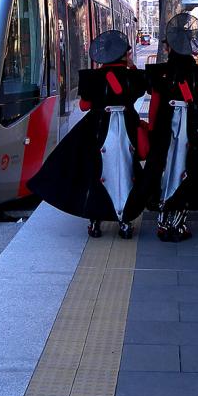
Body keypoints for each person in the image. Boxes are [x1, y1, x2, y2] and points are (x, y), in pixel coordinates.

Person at [26, 30, 149, 239]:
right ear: (124, 55)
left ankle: (95, 220)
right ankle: (125, 219)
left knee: (94, 171)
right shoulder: (134, 76)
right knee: (127, 170)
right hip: (127, 129)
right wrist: (131, 67)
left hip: (97, 129)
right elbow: (139, 91)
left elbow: (84, 106)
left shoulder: (92, 77)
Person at [144, 14, 198, 241]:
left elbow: (154, 105)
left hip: (164, 128)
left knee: (163, 170)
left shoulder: (160, 72)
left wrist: (152, 130)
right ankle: (178, 225)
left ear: (170, 47)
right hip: (190, 128)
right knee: (187, 171)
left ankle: (162, 222)